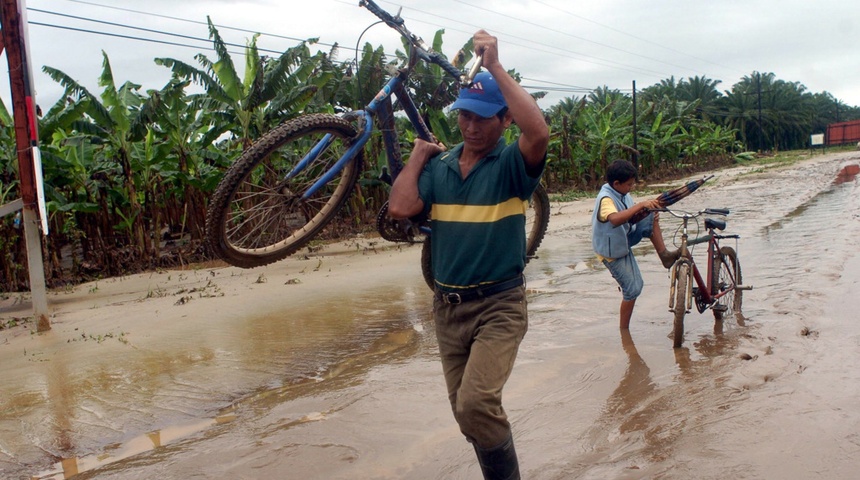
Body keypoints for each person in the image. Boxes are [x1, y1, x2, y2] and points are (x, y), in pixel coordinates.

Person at [388, 29, 548, 480]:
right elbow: (400, 207)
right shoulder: (439, 167)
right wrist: (419, 157)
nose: (471, 126)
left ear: (504, 121)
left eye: (482, 118)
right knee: (467, 415)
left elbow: (538, 132)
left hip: (499, 307)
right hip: (448, 310)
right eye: (464, 117)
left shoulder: (512, 167)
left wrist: (496, 65)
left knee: (477, 403)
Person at [591, 159, 680, 330]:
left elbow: (631, 214)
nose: (631, 187)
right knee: (633, 289)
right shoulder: (606, 199)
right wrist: (640, 205)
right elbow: (615, 219)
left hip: (622, 238)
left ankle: (664, 255)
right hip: (611, 250)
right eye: (629, 184)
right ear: (616, 183)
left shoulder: (621, 193)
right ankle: (624, 331)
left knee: (651, 214)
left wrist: (647, 209)